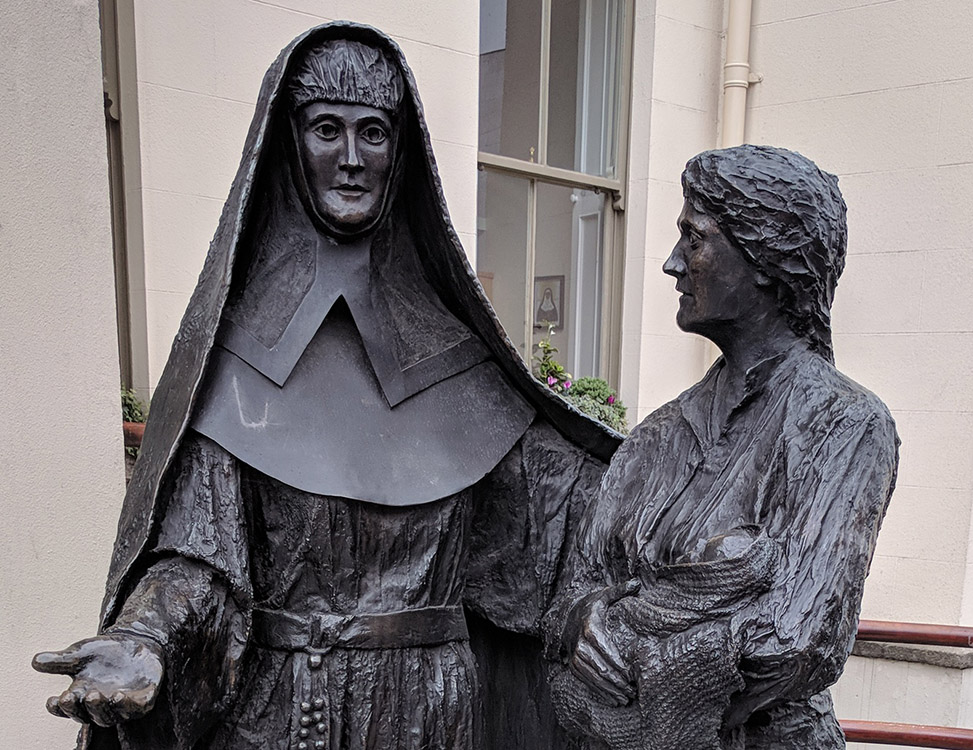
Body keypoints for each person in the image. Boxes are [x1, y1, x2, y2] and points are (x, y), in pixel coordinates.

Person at [33, 23, 620, 750]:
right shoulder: (237, 358)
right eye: (325, 129)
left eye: (373, 133)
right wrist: (146, 634)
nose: (350, 159)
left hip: (429, 713)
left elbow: (559, 522)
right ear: (290, 145)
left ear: (400, 153)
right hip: (288, 714)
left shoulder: (457, 357)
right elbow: (198, 557)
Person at [547, 145, 899, 749]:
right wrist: (583, 620)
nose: (671, 263)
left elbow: (801, 636)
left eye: (695, 239)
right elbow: (571, 597)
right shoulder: (654, 437)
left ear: (767, 258)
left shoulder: (844, 423)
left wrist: (636, 652)